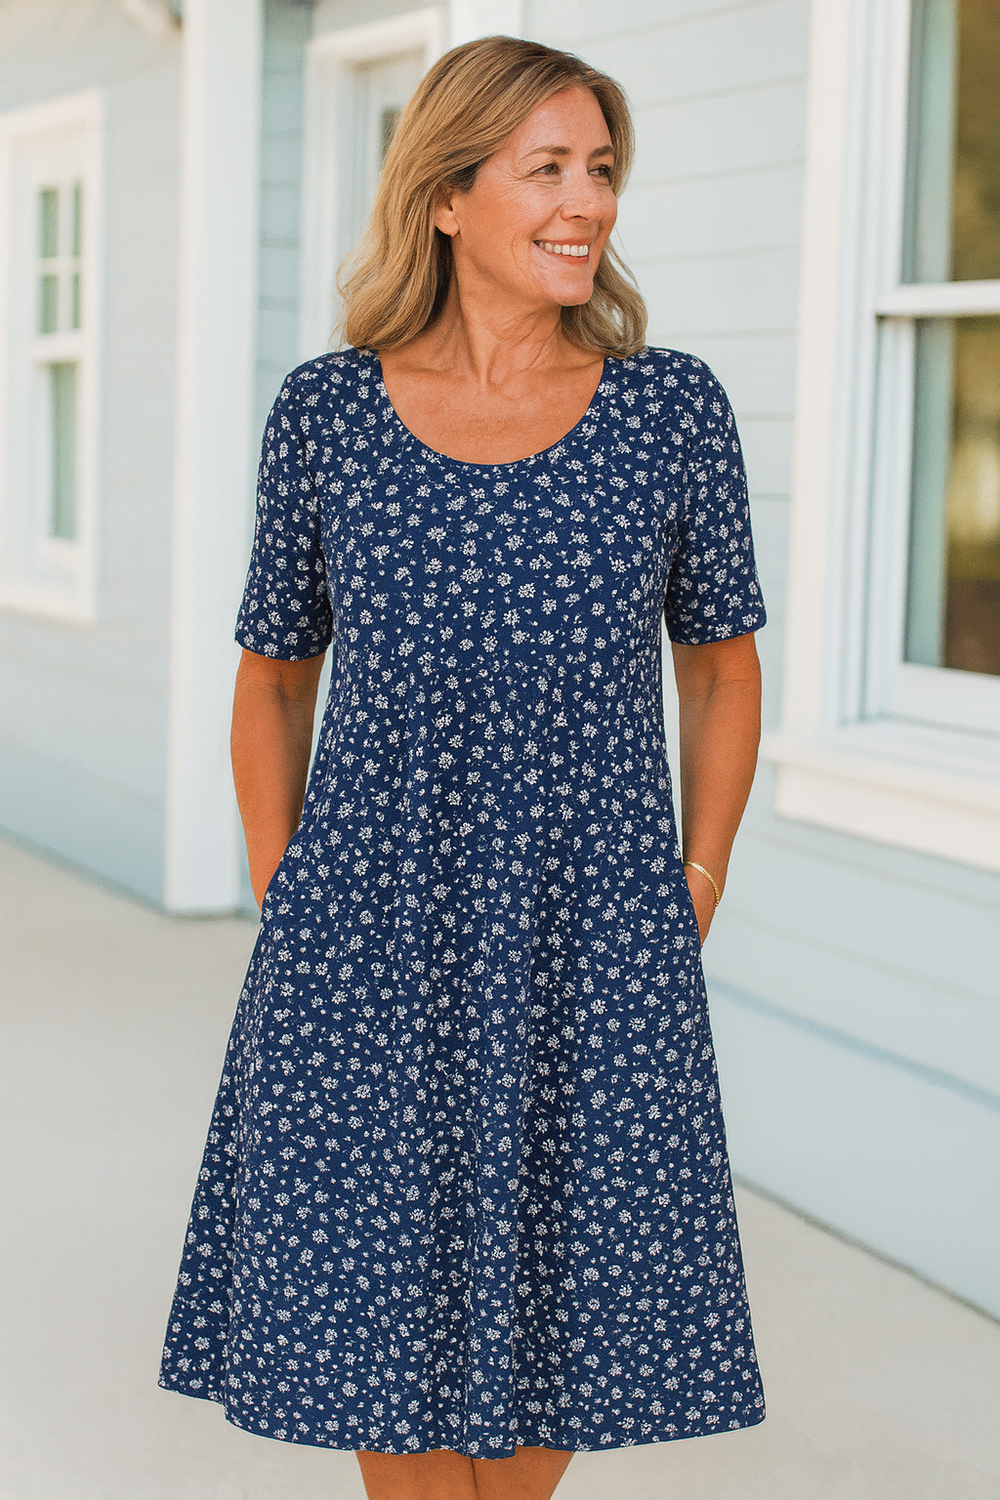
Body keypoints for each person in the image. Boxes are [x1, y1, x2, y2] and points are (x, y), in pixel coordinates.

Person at [158, 34, 767, 1500]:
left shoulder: (669, 411)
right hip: (368, 952)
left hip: (589, 947)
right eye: (546, 169)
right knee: (384, 1340)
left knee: (570, 1326)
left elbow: (721, 665)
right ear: (445, 195)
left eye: (601, 169)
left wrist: (694, 878)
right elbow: (272, 673)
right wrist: (288, 891)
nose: (588, 202)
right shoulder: (327, 415)